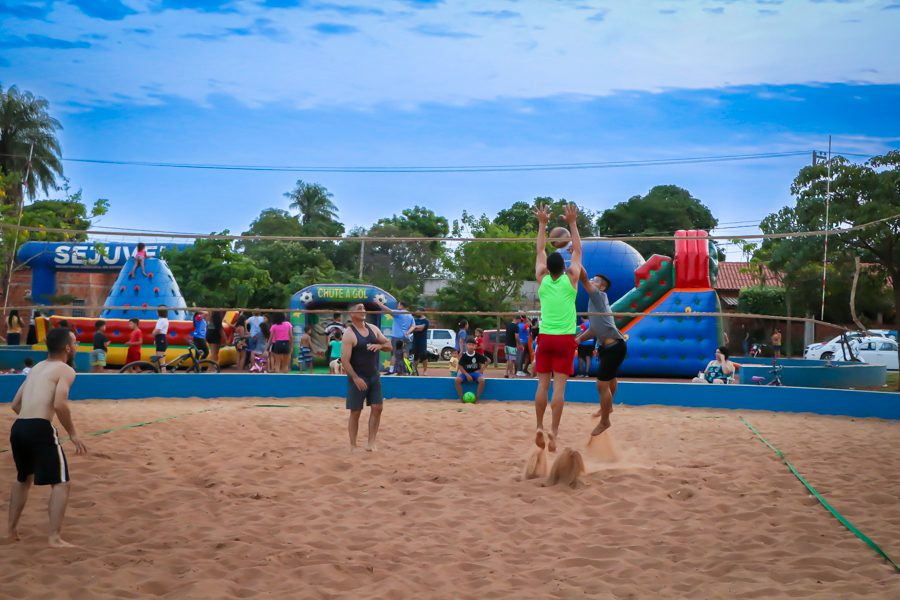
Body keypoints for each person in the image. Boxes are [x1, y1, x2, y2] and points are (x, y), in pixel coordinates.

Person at [6, 327, 87, 547]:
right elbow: (60, 404)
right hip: (40, 428)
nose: (77, 346)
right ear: (68, 348)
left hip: (19, 427)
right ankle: (54, 537)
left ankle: (10, 531)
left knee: (23, 479)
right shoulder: (66, 370)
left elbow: (15, 404)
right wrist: (72, 433)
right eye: (76, 342)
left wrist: (30, 419)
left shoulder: (36, 368)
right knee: (61, 483)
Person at [532, 203, 582, 453]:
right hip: (564, 339)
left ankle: (539, 426)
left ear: (546, 269)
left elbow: (540, 248)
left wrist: (542, 223)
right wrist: (572, 223)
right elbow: (579, 251)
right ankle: (554, 432)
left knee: (542, 385)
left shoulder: (541, 280)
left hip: (546, 336)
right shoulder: (572, 278)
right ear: (564, 268)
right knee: (559, 388)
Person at [576, 268, 627, 436]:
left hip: (614, 347)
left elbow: (582, 278)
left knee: (601, 384)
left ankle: (605, 420)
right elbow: (594, 330)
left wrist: (577, 254)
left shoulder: (597, 295)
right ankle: (608, 406)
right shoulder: (597, 302)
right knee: (610, 378)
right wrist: (578, 340)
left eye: (595, 280)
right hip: (609, 347)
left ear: (602, 287)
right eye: (592, 279)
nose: (591, 280)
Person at [341, 303, 392, 451]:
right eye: (359, 309)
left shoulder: (373, 329)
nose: (363, 311)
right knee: (355, 411)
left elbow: (389, 345)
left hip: (373, 376)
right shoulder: (349, 334)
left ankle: (371, 443)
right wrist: (356, 378)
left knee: (378, 408)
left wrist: (380, 346)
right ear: (351, 314)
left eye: (363, 308)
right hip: (357, 377)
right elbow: (344, 360)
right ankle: (352, 444)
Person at [375, 300, 416, 376]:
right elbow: (413, 326)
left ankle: (391, 370)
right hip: (406, 337)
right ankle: (409, 370)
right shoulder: (409, 315)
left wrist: (379, 304)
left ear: (401, 306)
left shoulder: (399, 313)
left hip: (397, 337)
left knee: (394, 354)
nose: (397, 306)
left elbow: (388, 310)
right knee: (405, 354)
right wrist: (408, 332)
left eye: (398, 304)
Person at [455, 337, 487, 403]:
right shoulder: (464, 356)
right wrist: (466, 375)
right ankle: (461, 398)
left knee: (482, 381)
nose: (471, 346)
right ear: (466, 345)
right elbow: (460, 366)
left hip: (475, 373)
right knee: (457, 380)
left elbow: (488, 361)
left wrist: (481, 370)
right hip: (465, 373)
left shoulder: (478, 355)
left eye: (473, 345)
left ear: (475, 346)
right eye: (469, 344)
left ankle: (477, 398)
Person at [411, 308, 430, 375]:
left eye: (418, 312)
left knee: (423, 355)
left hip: (422, 340)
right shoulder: (415, 320)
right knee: (415, 355)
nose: (416, 313)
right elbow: (411, 328)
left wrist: (414, 327)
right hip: (415, 340)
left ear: (422, 312)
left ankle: (425, 371)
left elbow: (421, 329)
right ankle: (414, 371)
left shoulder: (426, 321)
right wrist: (415, 327)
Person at [153, 306, 169, 371]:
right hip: (161, 338)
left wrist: (153, 333)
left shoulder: (161, 320)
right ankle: (158, 370)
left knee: (160, 357)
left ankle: (163, 372)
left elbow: (158, 330)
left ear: (159, 312)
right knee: (159, 356)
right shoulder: (165, 319)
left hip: (161, 338)